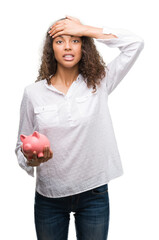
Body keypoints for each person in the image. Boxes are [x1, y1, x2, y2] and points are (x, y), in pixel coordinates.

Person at [15, 15, 144, 240]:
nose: (67, 46)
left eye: (75, 40)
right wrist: (31, 160)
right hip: (49, 197)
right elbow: (20, 145)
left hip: (93, 193)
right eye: (60, 40)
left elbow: (135, 43)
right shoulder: (33, 93)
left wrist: (86, 29)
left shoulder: (100, 82)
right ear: (51, 49)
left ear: (84, 46)